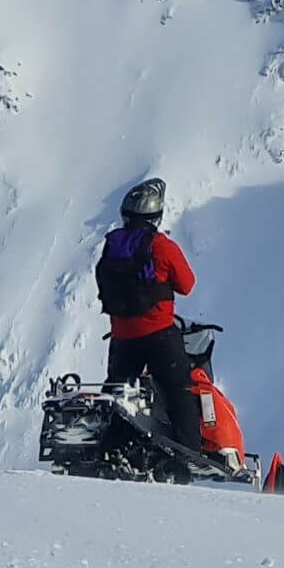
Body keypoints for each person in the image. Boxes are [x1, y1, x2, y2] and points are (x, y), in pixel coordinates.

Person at [96, 178, 202, 455]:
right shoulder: (161, 246)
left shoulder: (112, 245)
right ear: (156, 215)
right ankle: (188, 452)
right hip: (159, 334)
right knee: (180, 390)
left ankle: (109, 450)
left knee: (116, 393)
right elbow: (187, 285)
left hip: (121, 336)